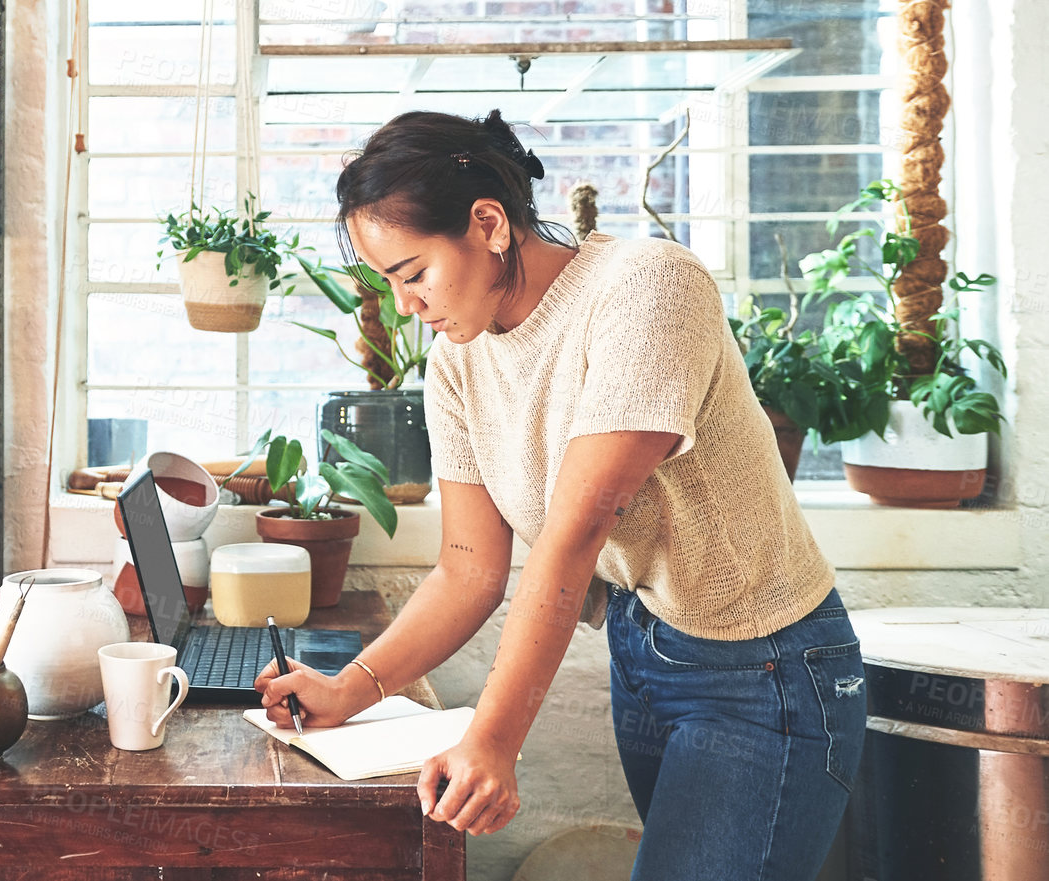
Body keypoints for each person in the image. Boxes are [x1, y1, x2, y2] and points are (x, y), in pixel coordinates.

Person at [254, 110, 866, 879]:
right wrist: (348, 688)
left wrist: (493, 740)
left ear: (488, 223)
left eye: (412, 274)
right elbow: (468, 569)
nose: (405, 304)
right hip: (642, 648)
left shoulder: (647, 287)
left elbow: (575, 531)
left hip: (763, 662)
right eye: (389, 283)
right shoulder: (458, 360)